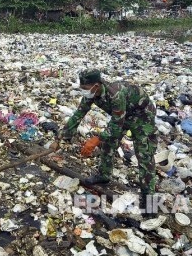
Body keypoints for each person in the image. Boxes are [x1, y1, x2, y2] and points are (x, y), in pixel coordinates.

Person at [60, 69, 158, 197]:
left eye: (85, 88)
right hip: (123, 114)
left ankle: (148, 197)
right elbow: (78, 114)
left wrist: (95, 139)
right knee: (109, 143)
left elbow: (116, 126)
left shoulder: (115, 94)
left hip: (143, 116)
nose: (83, 90)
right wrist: (62, 137)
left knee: (144, 153)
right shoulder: (91, 94)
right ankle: (103, 175)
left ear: (96, 85)